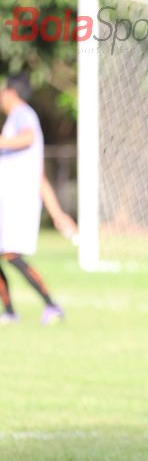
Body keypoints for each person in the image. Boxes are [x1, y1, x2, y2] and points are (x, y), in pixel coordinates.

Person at [0, 72, 68, 325]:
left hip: (18, 202)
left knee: (12, 255)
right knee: (5, 254)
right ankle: (9, 312)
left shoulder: (22, 114)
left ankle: (52, 306)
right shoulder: (15, 118)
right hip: (9, 201)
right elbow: (39, 175)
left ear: (10, 92)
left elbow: (27, 137)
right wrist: (58, 213)